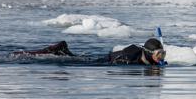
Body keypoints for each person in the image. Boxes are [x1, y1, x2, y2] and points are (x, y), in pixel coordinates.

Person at [12, 38, 167, 66]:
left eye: (163, 54)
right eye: (159, 54)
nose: (161, 58)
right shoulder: (131, 57)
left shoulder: (145, 60)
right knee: (70, 60)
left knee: (70, 56)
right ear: (148, 52)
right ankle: (30, 54)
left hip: (103, 59)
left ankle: (62, 49)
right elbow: (115, 65)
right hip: (100, 61)